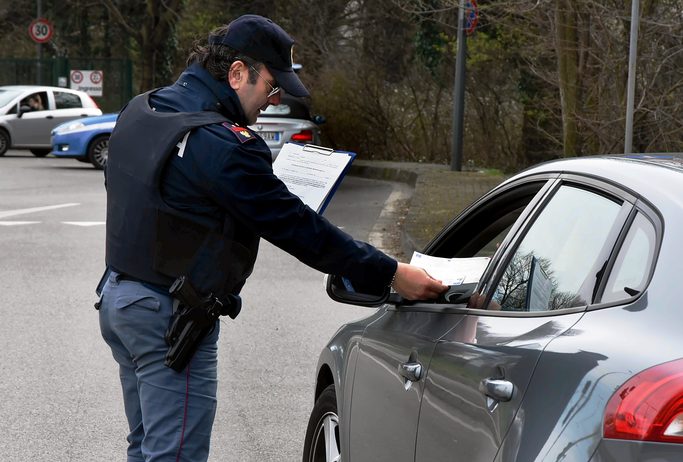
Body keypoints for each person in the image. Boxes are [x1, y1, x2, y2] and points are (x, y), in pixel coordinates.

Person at [97, 14, 447, 462]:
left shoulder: (143, 109)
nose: (273, 99)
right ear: (237, 73)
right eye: (270, 86)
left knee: (146, 447)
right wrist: (392, 272)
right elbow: (299, 230)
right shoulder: (222, 144)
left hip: (121, 301)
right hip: (170, 316)